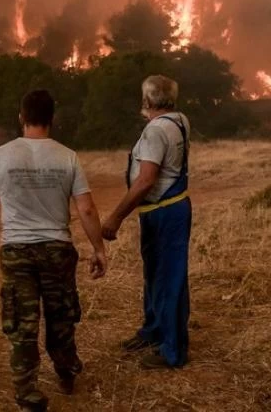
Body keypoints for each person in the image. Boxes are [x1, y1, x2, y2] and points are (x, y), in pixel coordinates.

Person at [0, 89, 107, 412]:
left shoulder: (0, 155)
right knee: (60, 316)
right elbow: (86, 210)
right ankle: (65, 371)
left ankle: (27, 391)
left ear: (21, 117)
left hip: (17, 251)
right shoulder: (67, 157)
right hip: (57, 250)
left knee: (22, 320)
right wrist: (98, 248)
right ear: (52, 119)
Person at [101, 75, 192, 370]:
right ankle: (153, 330)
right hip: (171, 208)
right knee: (156, 274)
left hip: (164, 212)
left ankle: (172, 350)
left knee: (168, 278)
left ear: (147, 101)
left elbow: (145, 181)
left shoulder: (155, 131)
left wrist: (115, 217)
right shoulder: (180, 120)